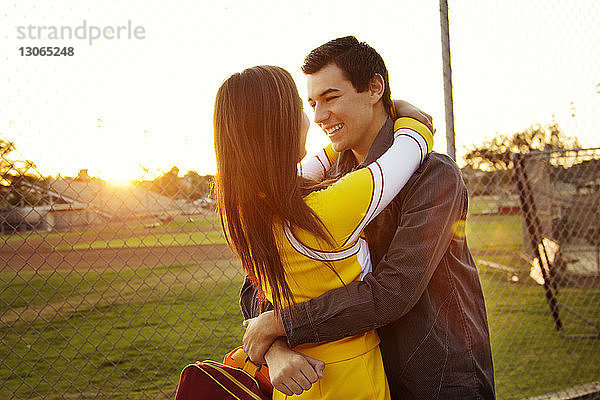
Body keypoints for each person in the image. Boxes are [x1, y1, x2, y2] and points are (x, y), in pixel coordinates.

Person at [240, 36, 496, 400]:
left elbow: (394, 289)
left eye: (331, 98)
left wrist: (283, 323)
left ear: (375, 88)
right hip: (361, 377)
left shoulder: (433, 175)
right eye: (312, 103)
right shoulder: (325, 184)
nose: (319, 116)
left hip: (435, 380)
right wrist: (274, 348)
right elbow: (259, 281)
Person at [214, 64, 434, 399]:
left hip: (292, 383)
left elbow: (325, 156)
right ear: (282, 125)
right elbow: (414, 145)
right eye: (303, 107)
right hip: (350, 378)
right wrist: (400, 109)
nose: (315, 117)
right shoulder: (329, 210)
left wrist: (274, 347)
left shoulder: (245, 212)